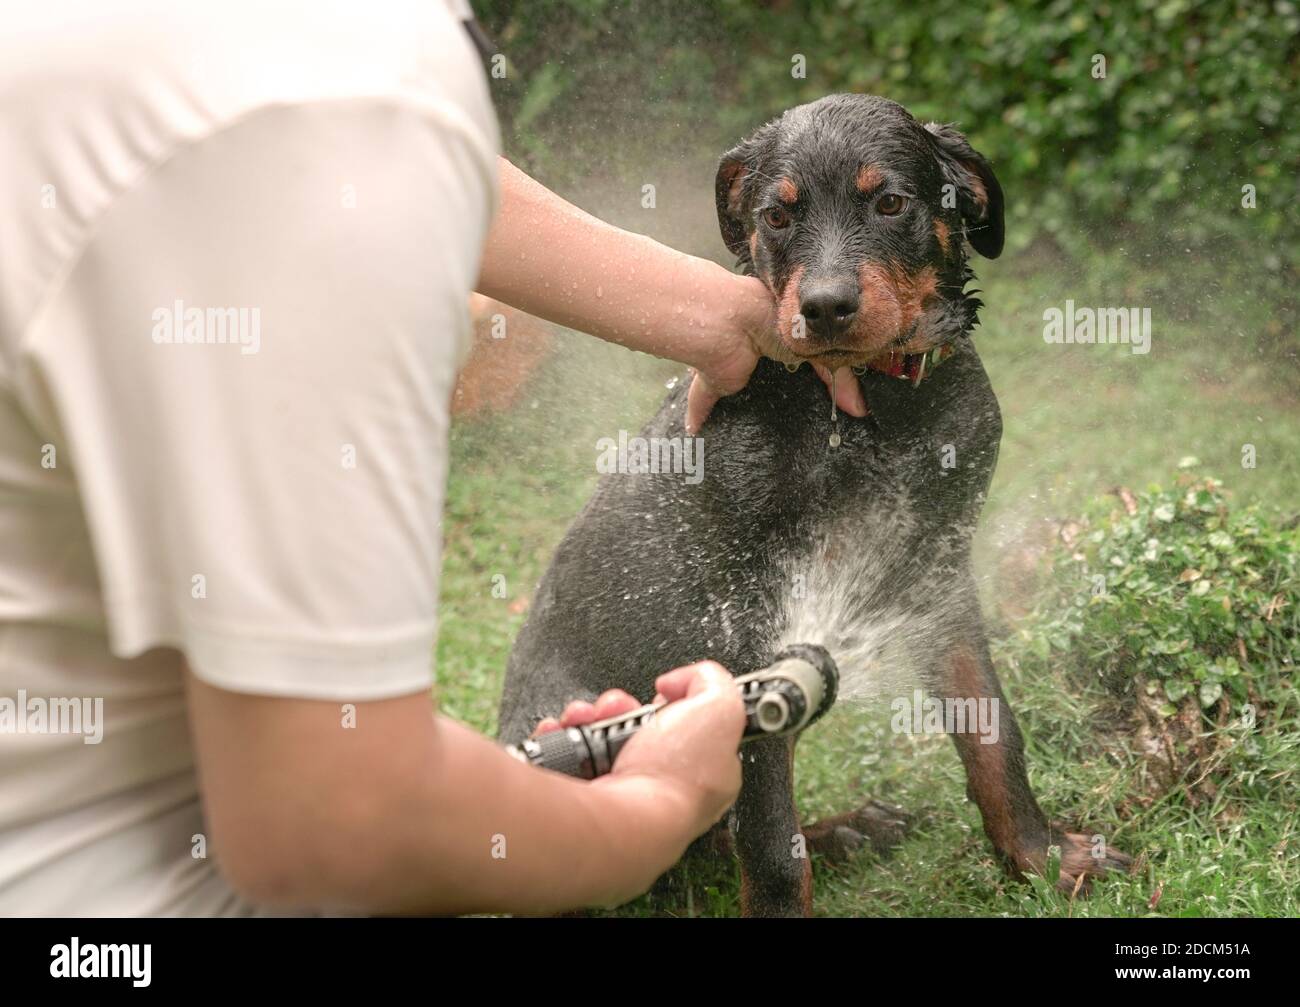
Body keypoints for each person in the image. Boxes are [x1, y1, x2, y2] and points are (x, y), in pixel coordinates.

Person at [0, 0, 862, 915]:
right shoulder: (348, 89)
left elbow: (379, 152)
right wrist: (659, 801)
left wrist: (708, 313)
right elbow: (336, 819)